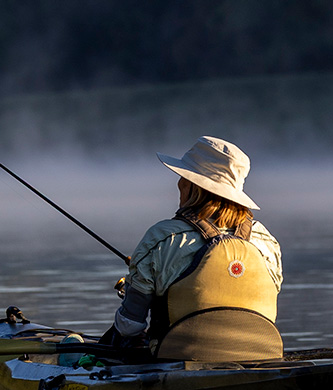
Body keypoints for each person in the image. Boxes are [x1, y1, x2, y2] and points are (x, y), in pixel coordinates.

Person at [104, 136, 283, 362]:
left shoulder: (162, 238)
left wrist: (138, 280)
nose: (179, 183)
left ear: (192, 185)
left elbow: (129, 326)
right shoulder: (266, 241)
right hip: (262, 360)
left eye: (183, 177)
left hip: (177, 362)